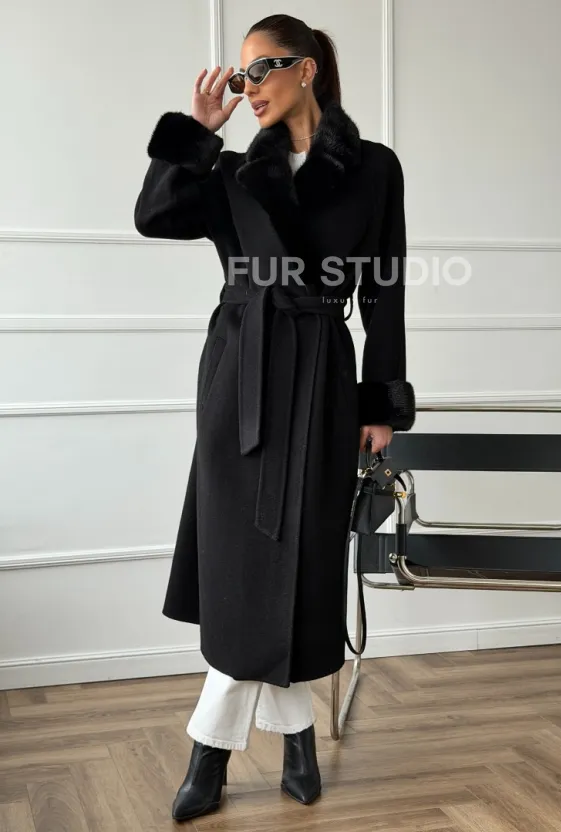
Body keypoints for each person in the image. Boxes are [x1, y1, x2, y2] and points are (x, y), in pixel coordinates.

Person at [134, 12, 415, 822]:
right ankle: (269, 744)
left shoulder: (374, 168)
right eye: (240, 74)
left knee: (301, 559)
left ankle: (222, 753)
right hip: (241, 373)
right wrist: (196, 133)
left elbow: (385, 290)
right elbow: (153, 217)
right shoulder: (229, 169)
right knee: (240, 565)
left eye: (261, 70)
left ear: (307, 69)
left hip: (323, 372)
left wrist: (380, 402)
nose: (246, 86)